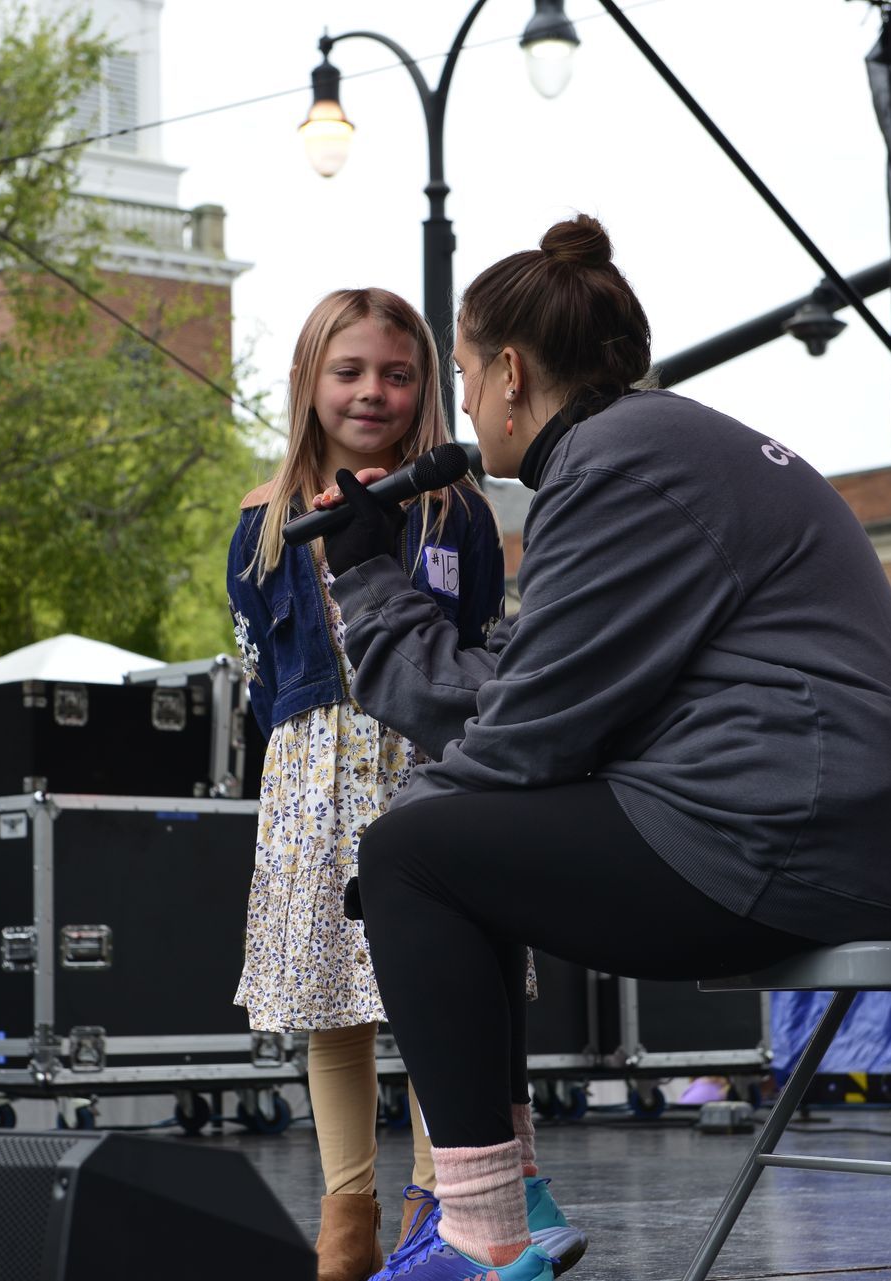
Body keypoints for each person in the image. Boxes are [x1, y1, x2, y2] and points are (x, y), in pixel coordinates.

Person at [314, 216, 891, 1281]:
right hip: (846, 837)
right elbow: (529, 708)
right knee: (444, 847)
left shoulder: (619, 469)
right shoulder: (656, 449)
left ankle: (481, 1241)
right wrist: (389, 604)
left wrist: (369, 594)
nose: (467, 404)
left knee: (414, 856)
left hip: (804, 844)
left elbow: (524, 735)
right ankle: (506, 1197)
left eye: (470, 375)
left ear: (514, 372)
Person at [226, 287, 506, 1281]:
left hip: (423, 765)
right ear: (309, 383)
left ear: (425, 386)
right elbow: (267, 671)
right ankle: (346, 1212)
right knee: (335, 1001)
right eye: (349, 371)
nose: (373, 392)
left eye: (397, 373)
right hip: (316, 777)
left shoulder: (453, 512)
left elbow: (480, 654)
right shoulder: (265, 523)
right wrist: (300, 772)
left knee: (435, 988)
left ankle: (443, 1202)